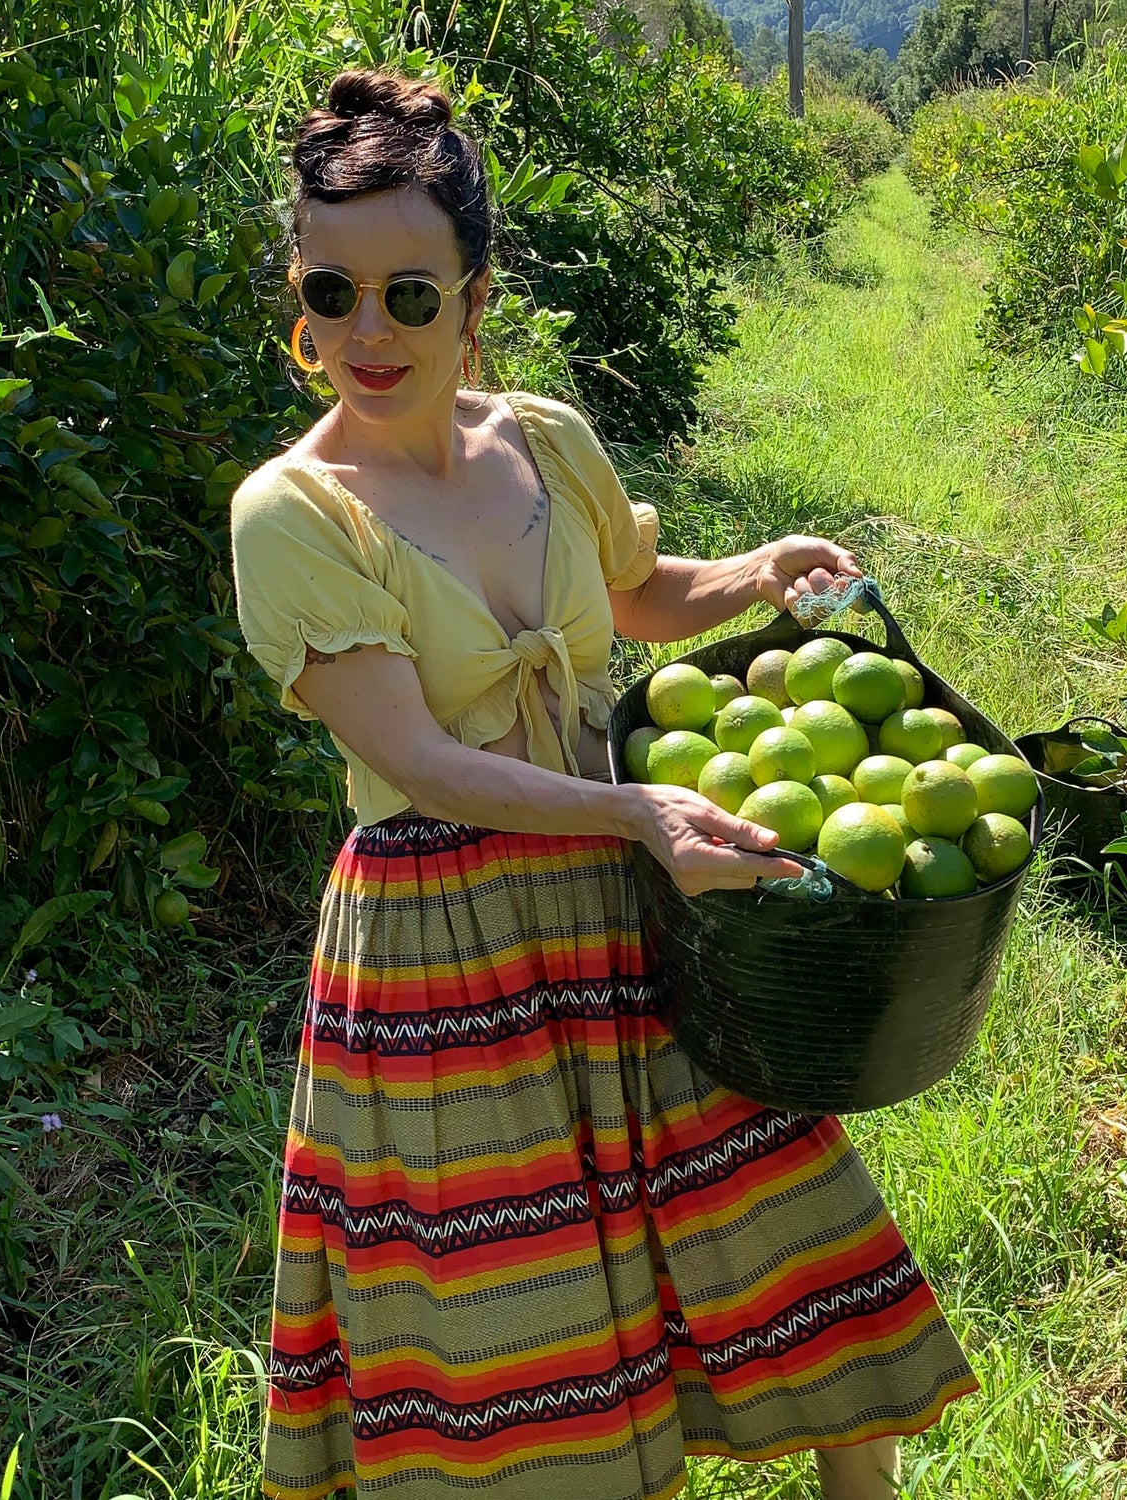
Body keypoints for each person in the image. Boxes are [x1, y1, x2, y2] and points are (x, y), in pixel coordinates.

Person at [230, 68, 978, 1500]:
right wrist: (638, 809)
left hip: (645, 902)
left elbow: (641, 598)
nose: (367, 333)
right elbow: (423, 761)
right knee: (522, 1325)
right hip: (448, 947)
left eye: (409, 294)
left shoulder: (546, 443)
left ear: (475, 291)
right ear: (300, 293)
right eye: (334, 294)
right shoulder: (294, 512)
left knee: (785, 1220)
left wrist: (757, 571)